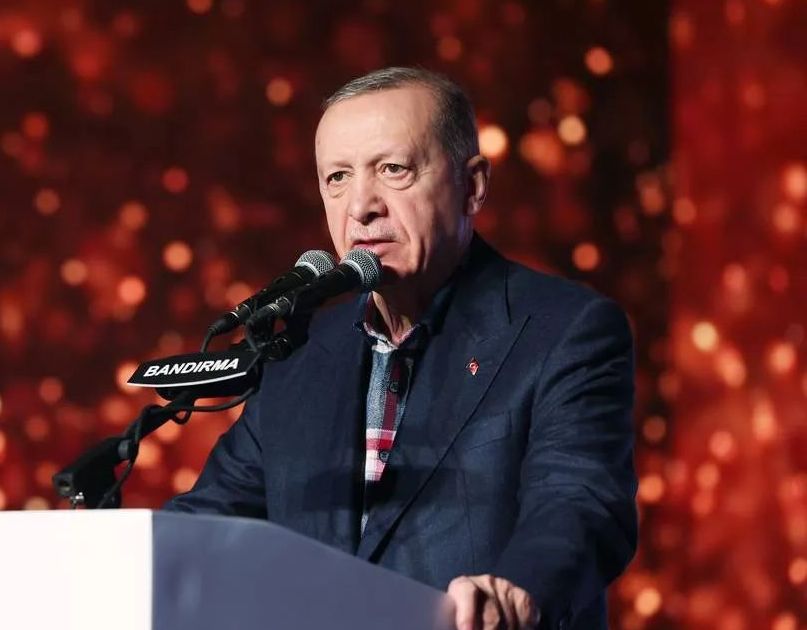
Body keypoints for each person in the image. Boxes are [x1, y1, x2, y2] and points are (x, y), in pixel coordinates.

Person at [165, 67, 638, 630]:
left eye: (393, 170)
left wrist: (517, 589)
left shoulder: (564, 330)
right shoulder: (299, 354)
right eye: (337, 177)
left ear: (473, 186)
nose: (361, 206)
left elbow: (580, 502)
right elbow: (210, 525)